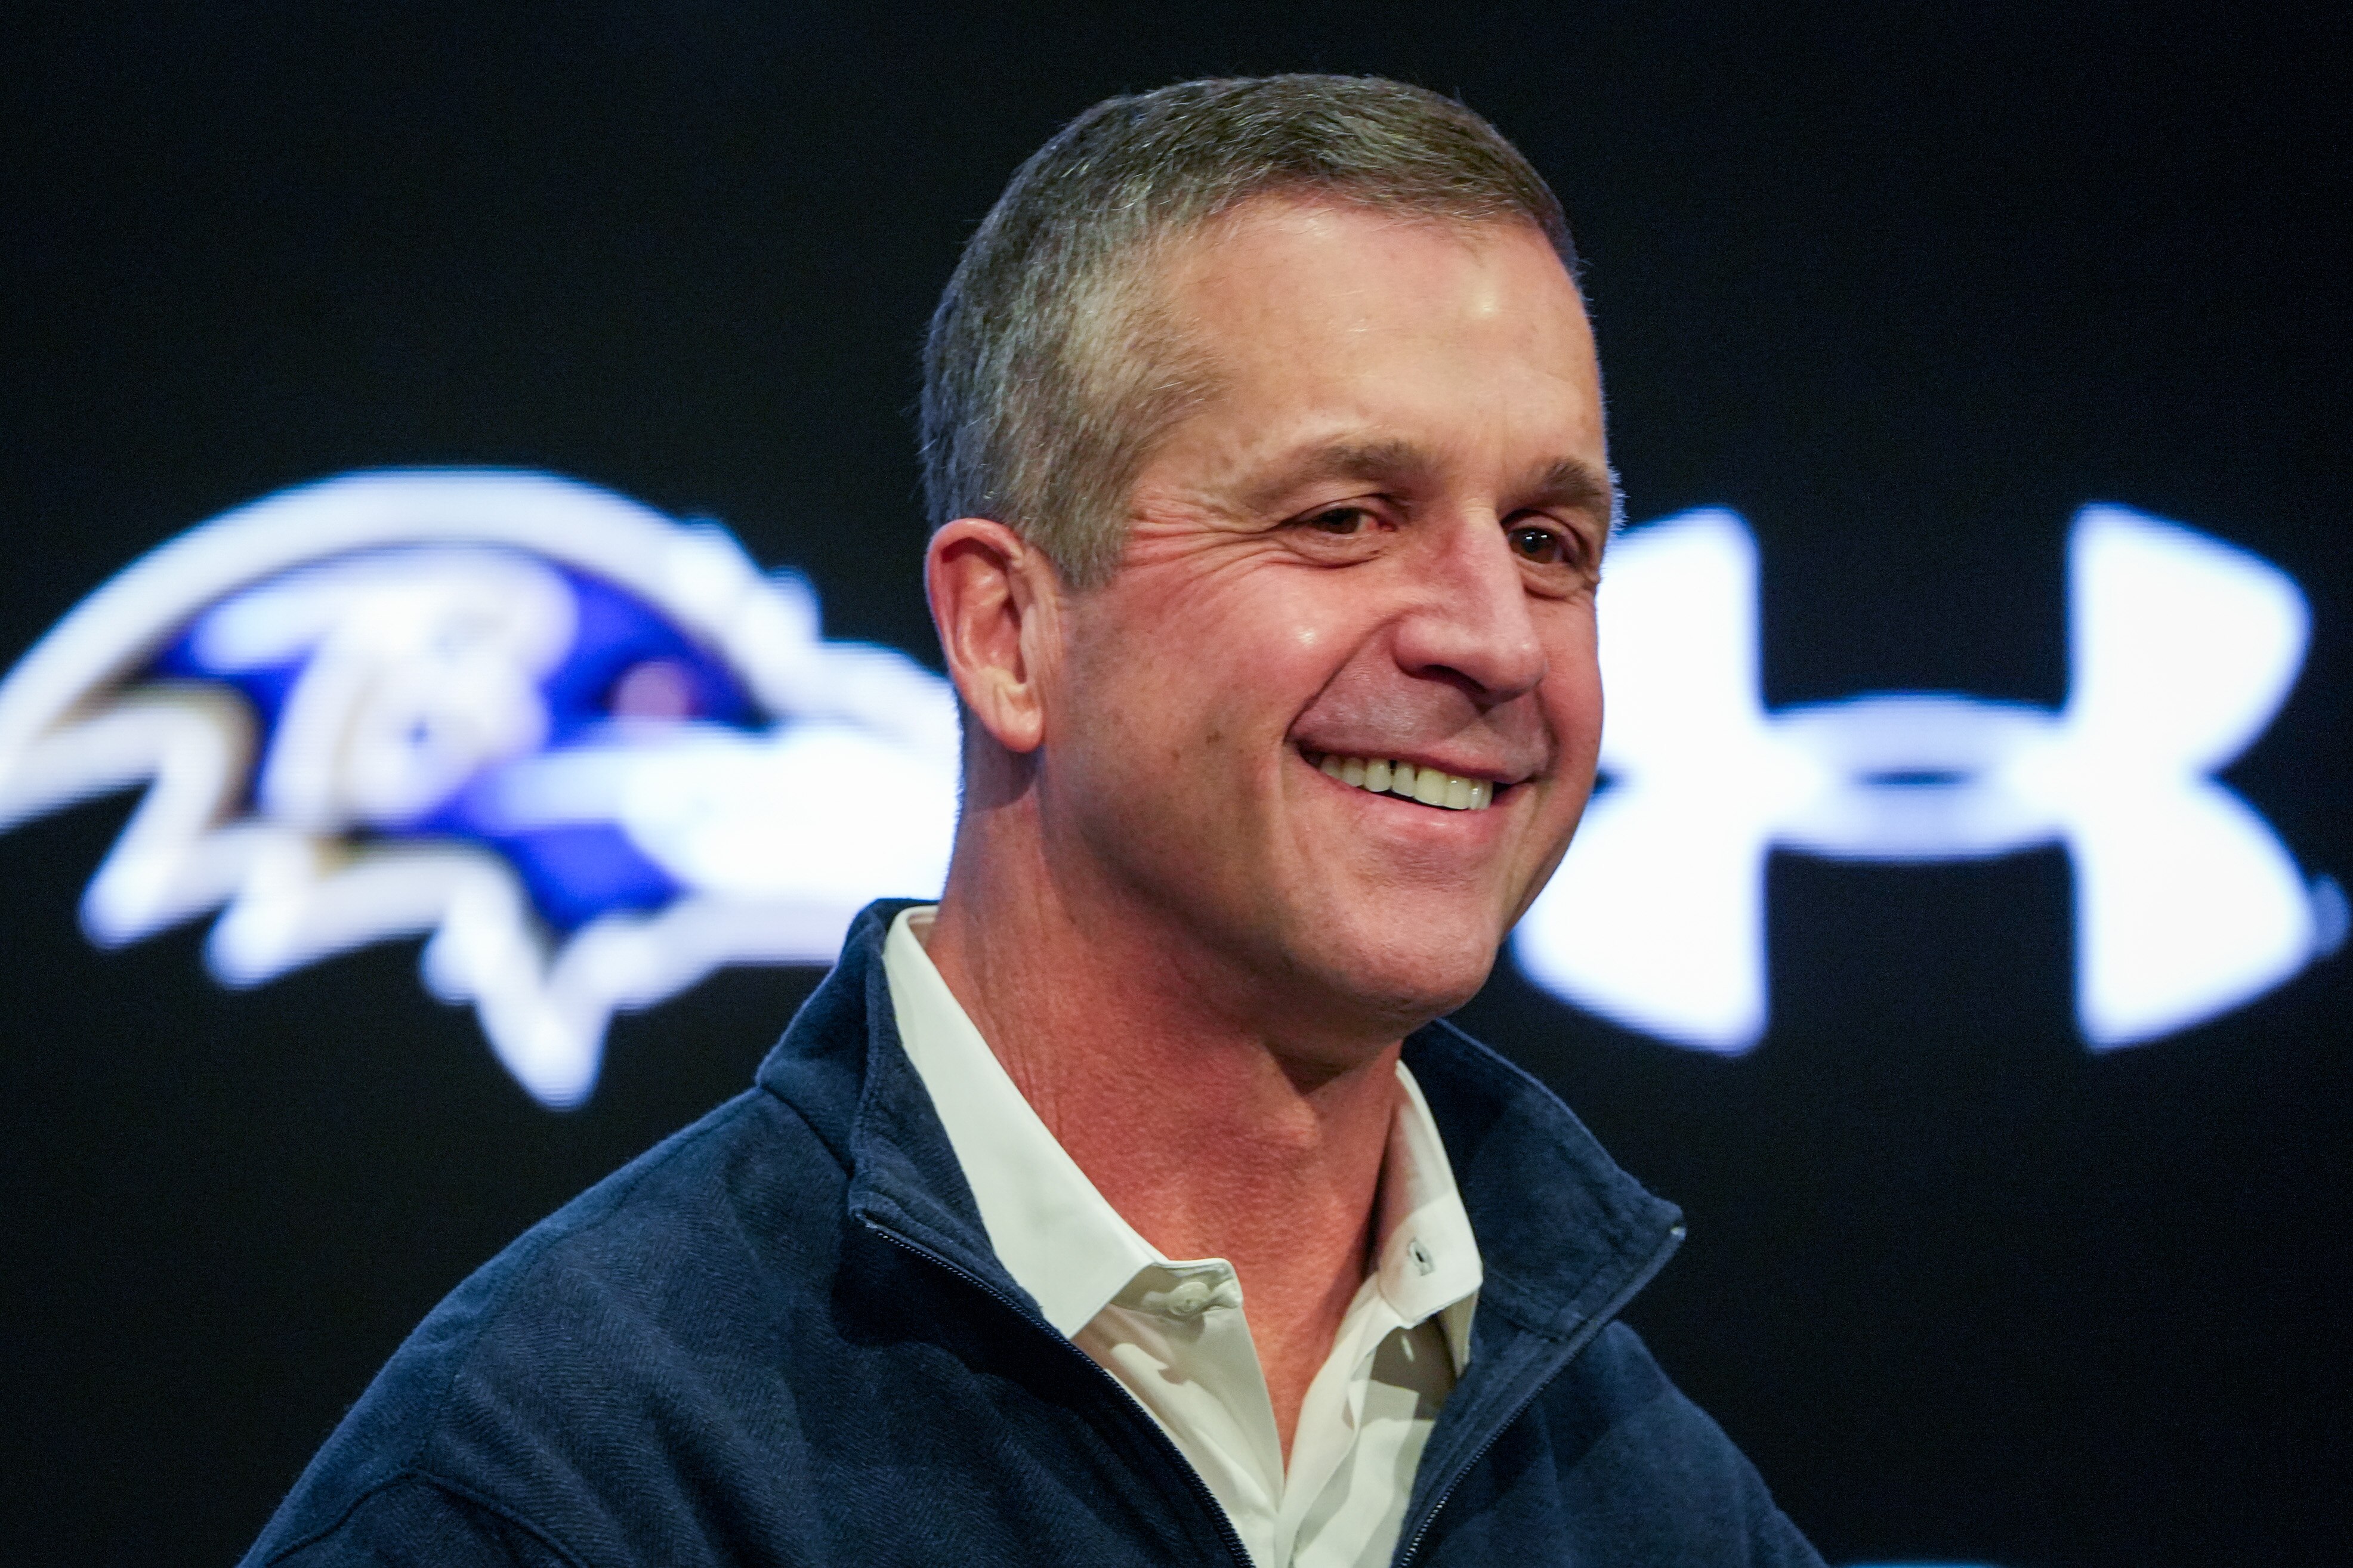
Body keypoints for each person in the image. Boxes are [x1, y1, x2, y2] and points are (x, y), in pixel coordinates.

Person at [242, 75, 1824, 1567]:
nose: (1493, 636)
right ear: (1007, 631)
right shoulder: (555, 1486)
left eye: (1549, 539)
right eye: (1345, 518)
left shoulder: (1651, 1492)